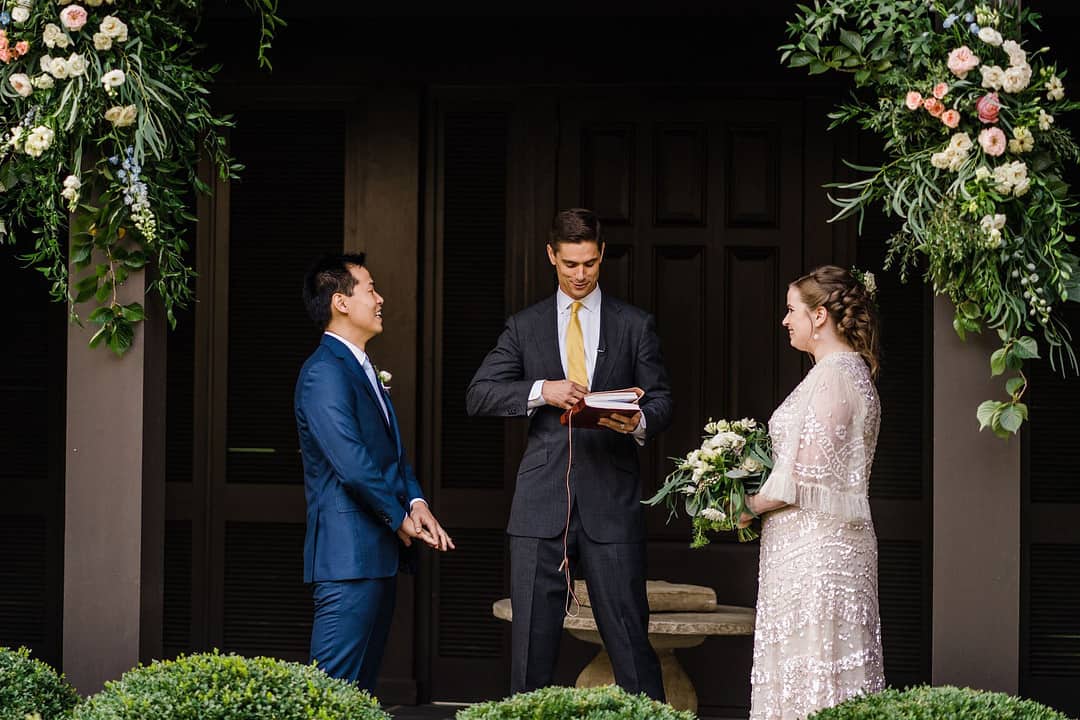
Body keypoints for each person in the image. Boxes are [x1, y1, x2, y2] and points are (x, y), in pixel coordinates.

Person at [466, 208, 672, 700]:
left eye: (589, 264)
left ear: (601, 256)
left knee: (631, 645)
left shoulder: (634, 324)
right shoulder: (524, 325)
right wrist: (543, 389)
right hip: (540, 507)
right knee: (530, 655)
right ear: (551, 257)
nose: (580, 276)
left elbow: (661, 399)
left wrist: (637, 420)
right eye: (569, 264)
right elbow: (479, 394)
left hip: (612, 501)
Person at [295, 253, 454, 694]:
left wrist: (416, 502)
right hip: (348, 560)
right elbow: (350, 461)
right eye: (370, 288)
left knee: (359, 694)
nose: (380, 298)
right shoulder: (324, 372)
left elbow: (392, 457)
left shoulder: (361, 370)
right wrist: (398, 517)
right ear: (341, 302)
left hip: (375, 556)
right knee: (328, 693)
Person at [738, 265, 885, 720]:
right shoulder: (847, 373)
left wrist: (742, 506)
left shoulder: (836, 376)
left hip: (817, 554)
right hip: (814, 547)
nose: (786, 320)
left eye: (792, 310)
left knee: (817, 670)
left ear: (819, 316)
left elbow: (807, 475)